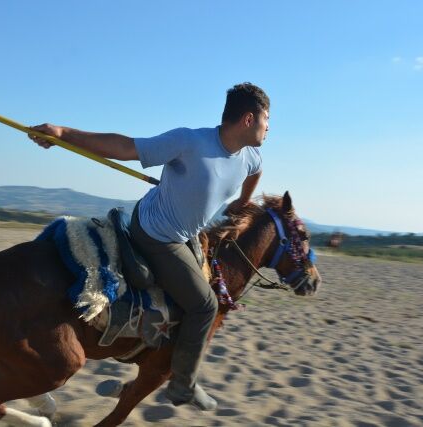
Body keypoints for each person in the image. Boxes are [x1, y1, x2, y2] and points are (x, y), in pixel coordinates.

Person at [29, 82, 269, 410]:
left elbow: (256, 171)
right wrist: (63, 133)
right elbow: (125, 147)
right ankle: (182, 386)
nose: (268, 128)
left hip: (188, 233)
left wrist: (242, 201)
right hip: (158, 234)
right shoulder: (189, 141)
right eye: (266, 120)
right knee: (206, 306)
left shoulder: (250, 156)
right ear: (248, 119)